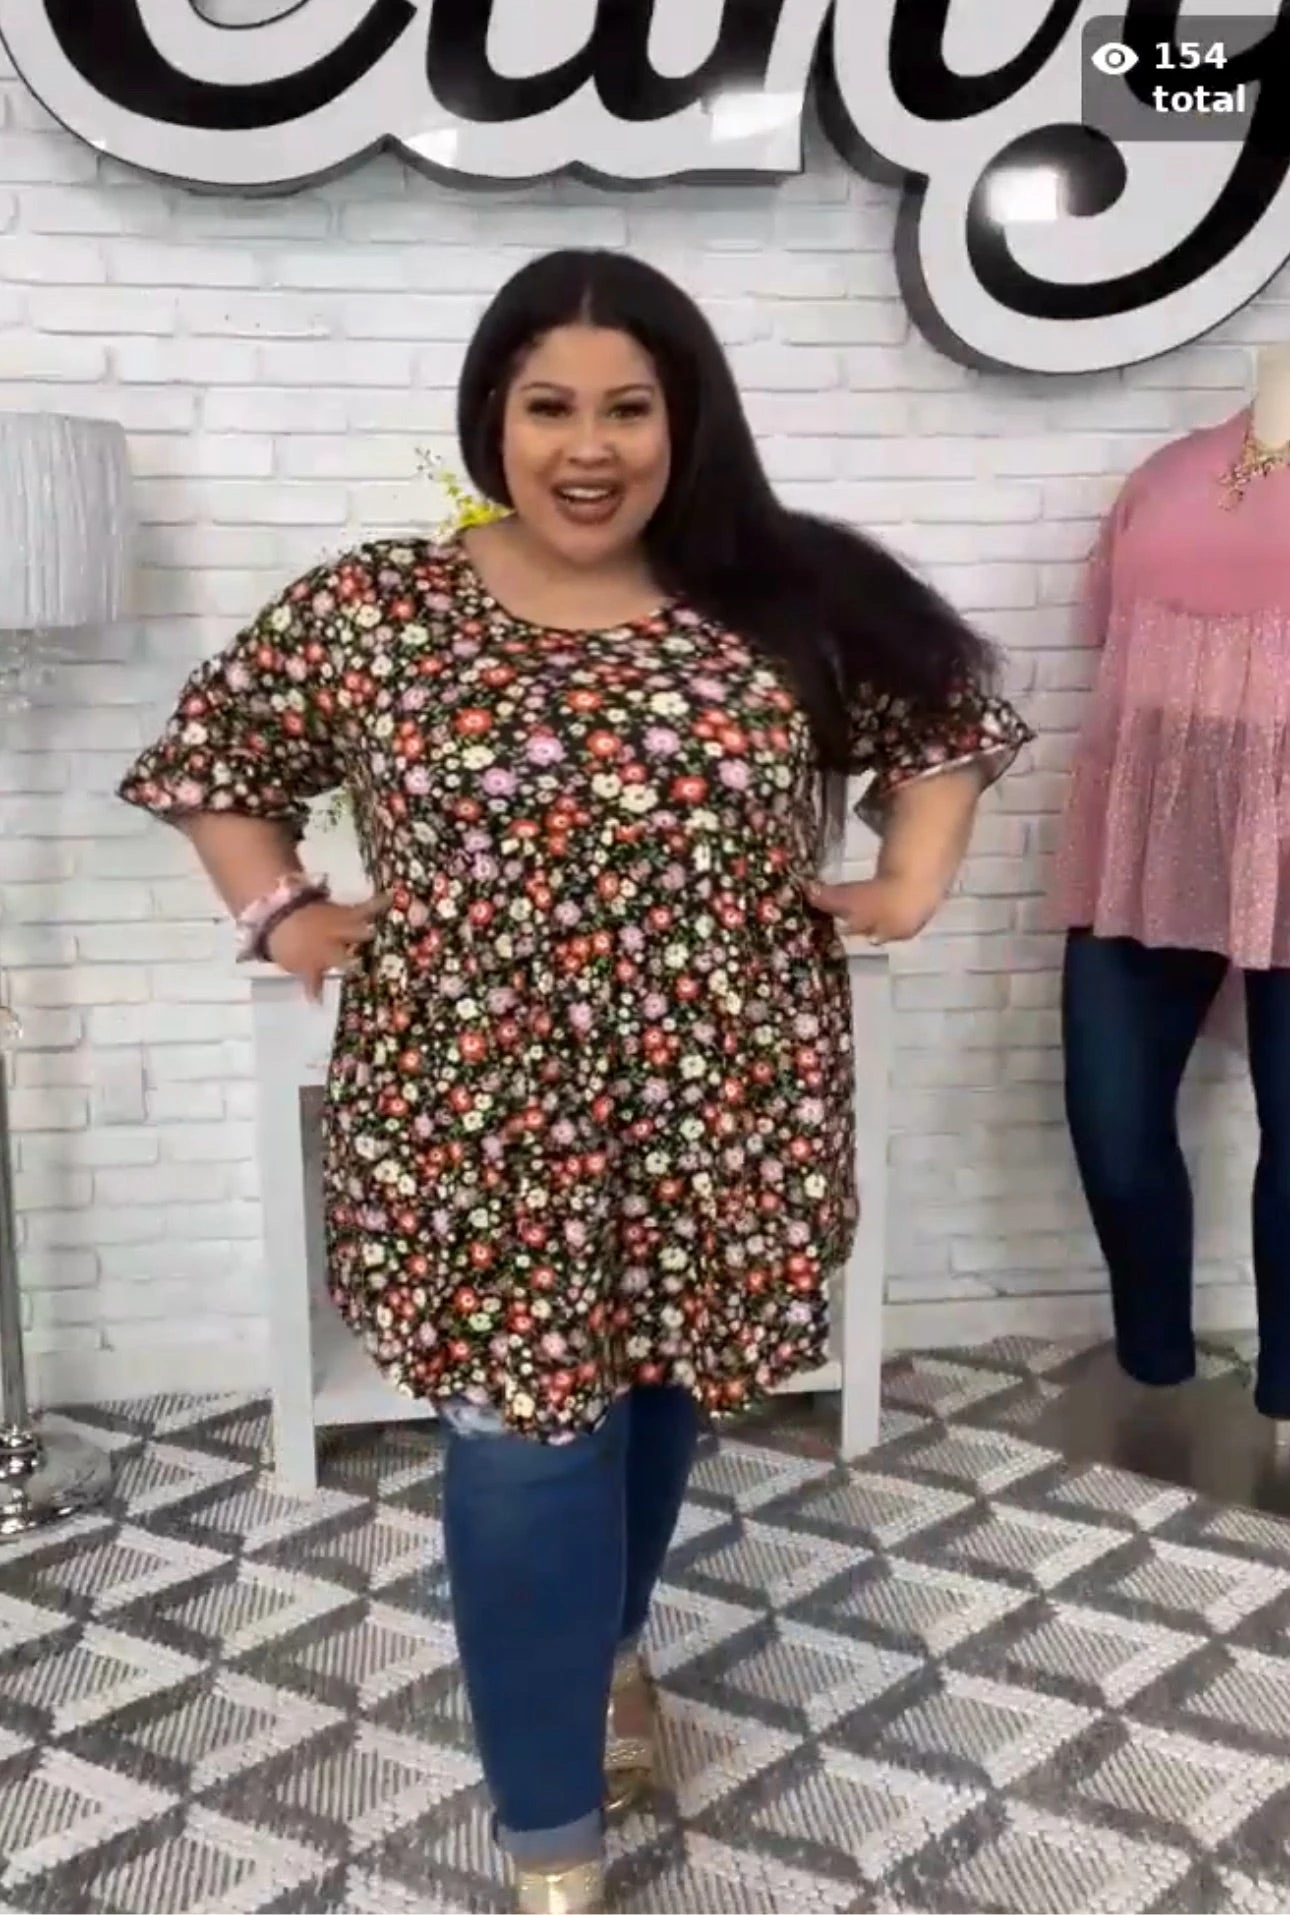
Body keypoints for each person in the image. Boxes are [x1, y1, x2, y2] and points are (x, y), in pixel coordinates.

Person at [118, 248, 1031, 1913]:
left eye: (629, 408)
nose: (588, 447)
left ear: (686, 424)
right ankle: (552, 1838)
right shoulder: (380, 607)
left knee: (661, 1383)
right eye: (549, 406)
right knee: (527, 1439)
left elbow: (950, 713)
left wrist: (910, 882)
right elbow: (216, 757)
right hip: (474, 1114)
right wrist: (283, 911)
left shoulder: (777, 595)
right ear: (494, 418)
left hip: (722, 1094)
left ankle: (609, 1652)